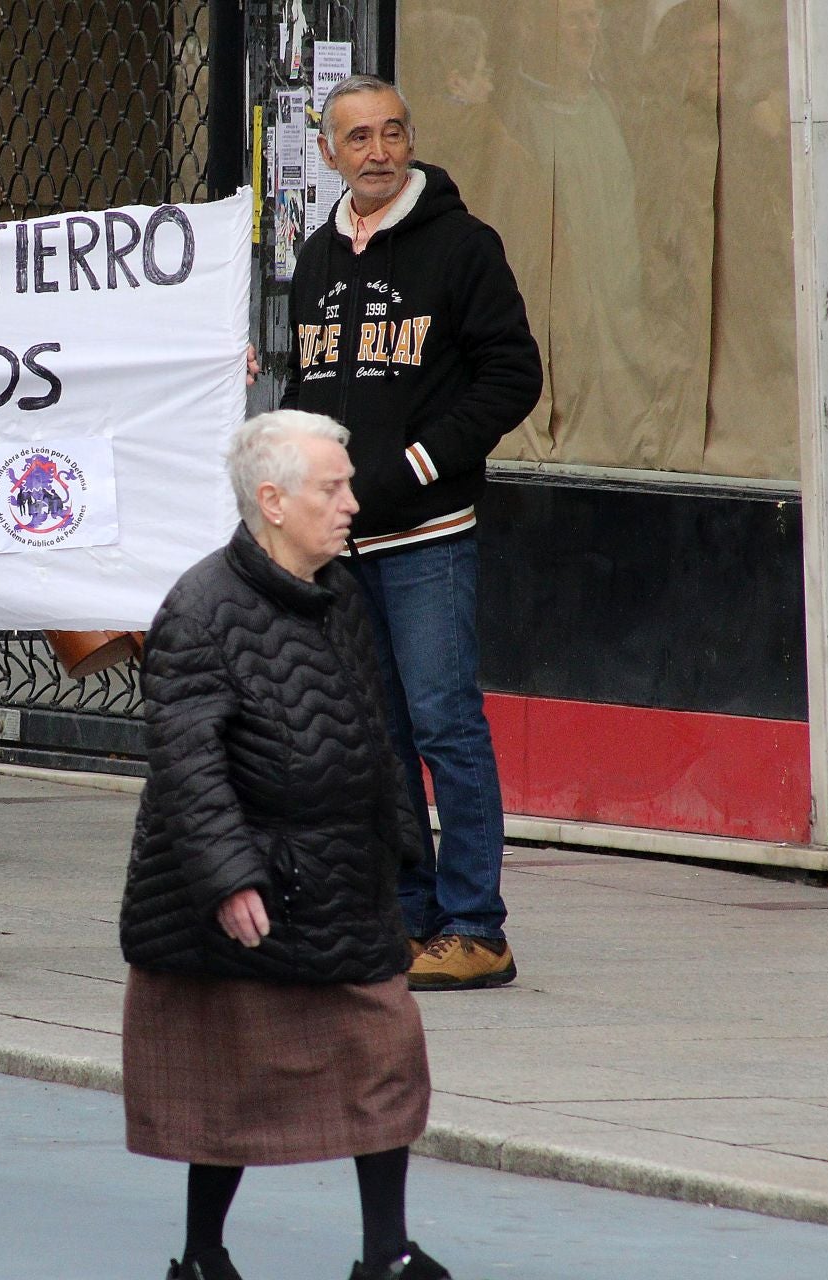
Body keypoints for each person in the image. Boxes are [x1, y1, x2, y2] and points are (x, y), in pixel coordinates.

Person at [120, 410, 445, 1280]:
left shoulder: (337, 593)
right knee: (227, 1083)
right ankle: (200, 1257)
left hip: (344, 875)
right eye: (332, 487)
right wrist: (230, 878)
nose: (351, 502)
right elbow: (186, 762)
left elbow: (371, 730)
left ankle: (388, 1255)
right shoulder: (198, 610)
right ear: (273, 501)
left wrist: (404, 846)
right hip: (254, 883)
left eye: (347, 484)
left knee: (385, 1056)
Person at [282, 74, 541, 991]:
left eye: (393, 132)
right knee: (378, 737)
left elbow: (513, 376)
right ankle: (404, 915)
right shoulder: (315, 259)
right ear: (328, 154)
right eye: (358, 138)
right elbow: (303, 393)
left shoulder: (464, 248)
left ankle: (477, 924)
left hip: (431, 534)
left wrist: (421, 466)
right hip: (344, 546)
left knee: (444, 727)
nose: (379, 150)